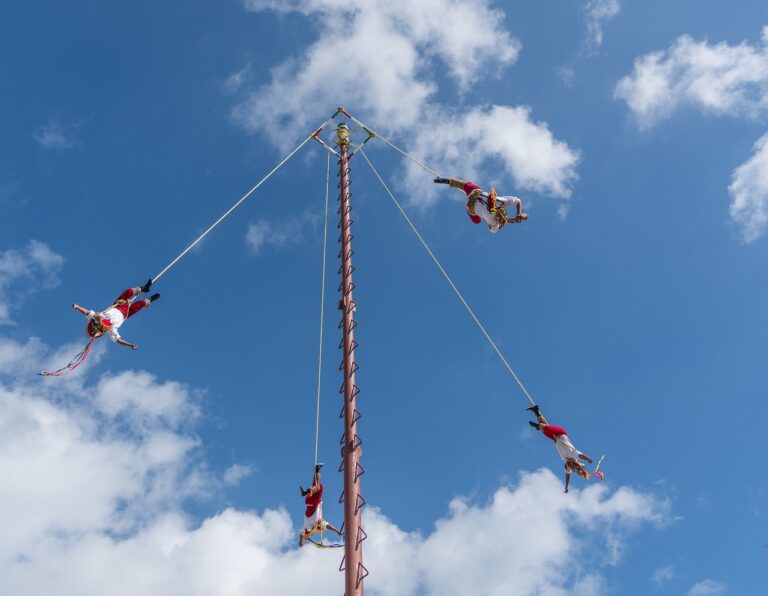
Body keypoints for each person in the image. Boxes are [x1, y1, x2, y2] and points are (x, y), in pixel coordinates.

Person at [526, 404, 604, 493]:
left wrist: (566, 487)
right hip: (560, 433)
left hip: (555, 438)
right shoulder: (573, 455)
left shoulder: (566, 462)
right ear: (576, 463)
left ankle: (536, 411)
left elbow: (567, 475)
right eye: (575, 467)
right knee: (544, 427)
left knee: (544, 427)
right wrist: (588, 459)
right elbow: (581, 456)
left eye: (573, 469)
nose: (572, 467)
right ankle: (537, 426)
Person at [71, 279, 159, 351]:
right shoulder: (111, 330)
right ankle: (149, 300)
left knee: (128, 292)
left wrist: (77, 307)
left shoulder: (98, 318)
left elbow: (87, 312)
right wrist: (130, 345)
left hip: (118, 305)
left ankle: (143, 288)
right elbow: (118, 340)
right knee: (140, 304)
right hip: (126, 313)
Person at [434, 177, 527, 233]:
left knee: (477, 219)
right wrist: (518, 214)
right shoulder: (496, 213)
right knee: (478, 219)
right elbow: (517, 202)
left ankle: (449, 181)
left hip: (475, 197)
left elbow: (518, 201)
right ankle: (448, 181)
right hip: (474, 199)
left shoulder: (500, 206)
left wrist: (517, 215)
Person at [298, 463, 342, 547]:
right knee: (316, 486)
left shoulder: (308, 525)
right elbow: (327, 525)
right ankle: (317, 469)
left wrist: (300, 542)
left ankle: (305, 491)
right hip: (309, 502)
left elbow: (302, 533)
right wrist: (337, 530)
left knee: (320, 487)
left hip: (312, 503)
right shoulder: (316, 522)